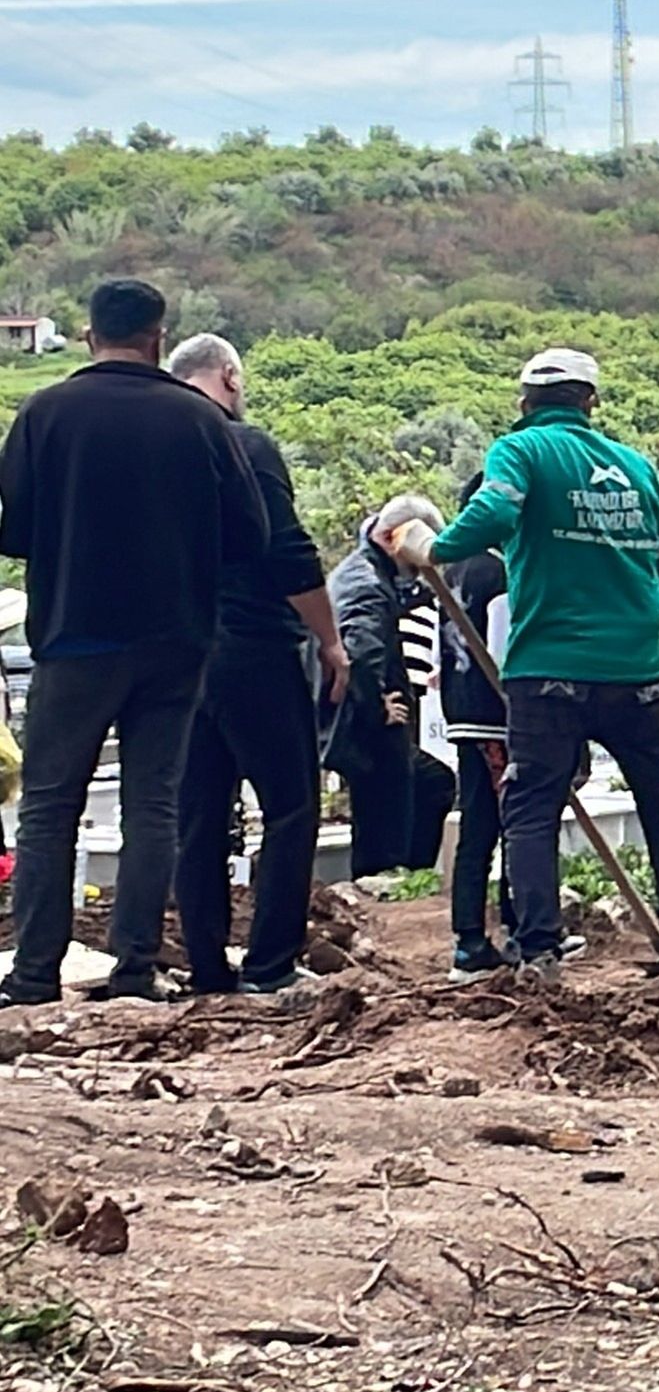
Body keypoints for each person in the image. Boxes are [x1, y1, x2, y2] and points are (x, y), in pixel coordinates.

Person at [0, 279, 268, 1007]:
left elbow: (12, 527)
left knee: (52, 805)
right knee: (155, 802)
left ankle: (32, 976)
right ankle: (134, 970)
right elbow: (252, 535)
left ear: (90, 336)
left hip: (72, 635)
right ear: (158, 337)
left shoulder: (45, 411)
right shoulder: (199, 419)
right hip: (176, 639)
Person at [426, 349, 659, 978]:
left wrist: (435, 548)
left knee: (531, 805)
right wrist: (631, 619)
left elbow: (492, 514)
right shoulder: (636, 468)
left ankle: (539, 949)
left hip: (548, 670)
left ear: (525, 404)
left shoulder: (519, 452)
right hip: (636, 671)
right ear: (590, 402)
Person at [166, 334, 351, 994]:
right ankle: (271, 964)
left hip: (179, 655)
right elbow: (288, 549)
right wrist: (330, 639)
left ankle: (207, 968)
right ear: (230, 377)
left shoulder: (155, 453)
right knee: (290, 805)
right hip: (254, 647)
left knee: (199, 814)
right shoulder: (246, 446)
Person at [325, 496, 456, 880]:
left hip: (361, 718)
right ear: (393, 539)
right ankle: (384, 885)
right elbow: (360, 648)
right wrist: (376, 704)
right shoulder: (366, 584)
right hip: (367, 725)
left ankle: (406, 879)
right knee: (386, 811)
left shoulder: (367, 573)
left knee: (431, 784)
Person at [438, 473, 516, 980]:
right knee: (511, 824)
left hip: (462, 712)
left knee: (478, 825)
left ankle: (474, 934)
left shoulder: (450, 569)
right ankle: (508, 931)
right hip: (496, 717)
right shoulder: (501, 572)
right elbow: (504, 650)